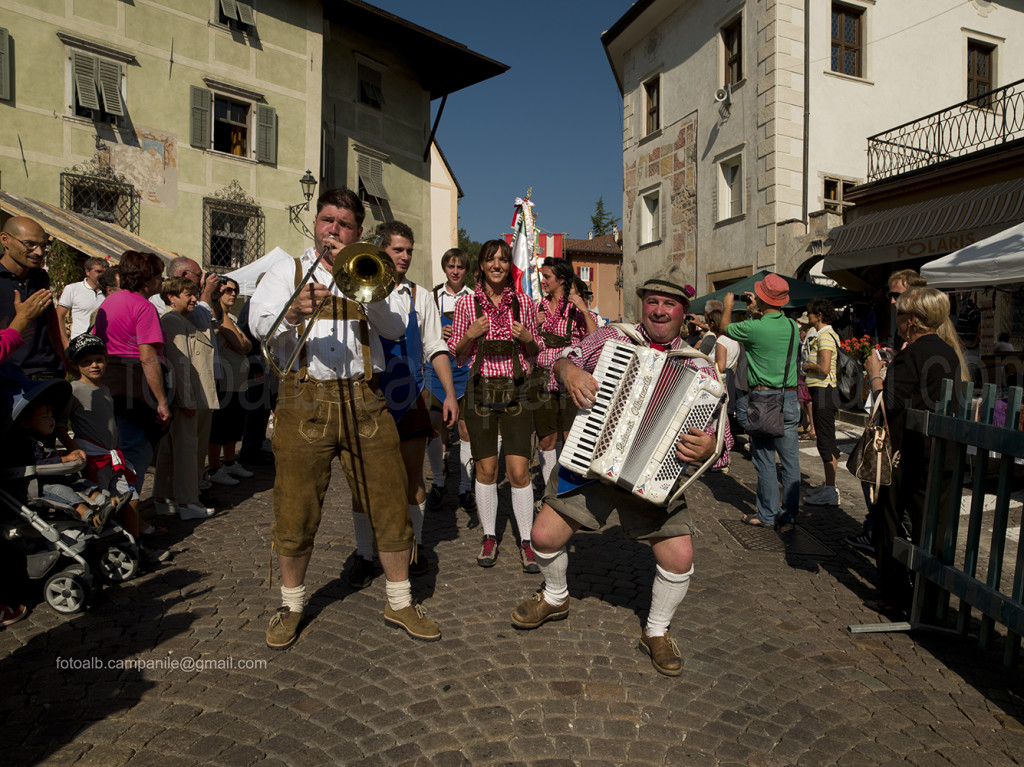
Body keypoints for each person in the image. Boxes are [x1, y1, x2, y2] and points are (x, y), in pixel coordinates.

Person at [249, 187, 439, 649]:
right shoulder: (286, 269)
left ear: (357, 231)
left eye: (344, 224)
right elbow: (260, 324)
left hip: (362, 395)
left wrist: (365, 287)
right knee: (296, 504)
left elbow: (395, 327)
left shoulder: (371, 268)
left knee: (389, 494)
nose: (333, 230)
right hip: (302, 398)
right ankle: (291, 605)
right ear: (315, 223)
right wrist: (295, 309)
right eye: (327, 220)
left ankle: (399, 599)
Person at [509, 278, 723, 677]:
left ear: (683, 312)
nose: (659, 310)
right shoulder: (612, 337)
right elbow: (555, 358)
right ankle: (555, 596)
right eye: (652, 301)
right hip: (592, 458)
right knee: (542, 536)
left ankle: (656, 631)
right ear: (643, 304)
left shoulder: (699, 364)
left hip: (655, 474)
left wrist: (710, 448)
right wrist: (569, 370)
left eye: (669, 304)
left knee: (679, 557)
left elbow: (722, 437)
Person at [346, 221, 458, 587]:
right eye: (398, 250)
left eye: (409, 250)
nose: (405, 256)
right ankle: (365, 553)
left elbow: (435, 346)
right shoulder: (353, 287)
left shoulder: (421, 296)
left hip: (407, 394)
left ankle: (415, 547)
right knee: (363, 481)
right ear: (381, 249)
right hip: (367, 393)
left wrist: (449, 394)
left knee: (413, 476)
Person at [864, 288, 967, 615]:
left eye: (902, 311)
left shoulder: (915, 353)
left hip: (907, 454)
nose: (897, 315)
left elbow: (889, 403)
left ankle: (894, 595)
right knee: (931, 528)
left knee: (889, 518)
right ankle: (932, 600)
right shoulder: (948, 352)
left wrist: (875, 374)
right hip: (940, 453)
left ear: (913, 320)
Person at [449, 239, 541, 571]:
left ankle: (527, 541)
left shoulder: (526, 303)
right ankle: (490, 537)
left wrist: (529, 339)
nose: (498, 265)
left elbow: (536, 353)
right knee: (487, 470)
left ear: (508, 267)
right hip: (480, 392)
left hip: (517, 392)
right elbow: (457, 356)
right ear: (482, 266)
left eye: (503, 260)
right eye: (491, 260)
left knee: (518, 472)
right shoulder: (466, 305)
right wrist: (470, 335)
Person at [93, 250, 170, 541]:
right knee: (132, 460)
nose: (162, 281)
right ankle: (131, 531)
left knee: (116, 456)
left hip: (109, 382)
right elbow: (148, 358)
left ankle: (126, 521)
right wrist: (161, 401)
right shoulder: (143, 307)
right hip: (133, 384)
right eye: (158, 275)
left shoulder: (110, 301)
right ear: (146, 279)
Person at [722, 273, 800, 529]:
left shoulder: (754, 327)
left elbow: (725, 328)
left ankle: (767, 514)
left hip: (764, 399)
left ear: (762, 299)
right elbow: (765, 330)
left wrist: (728, 307)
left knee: (765, 460)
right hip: (789, 397)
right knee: (790, 463)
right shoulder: (792, 326)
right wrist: (758, 311)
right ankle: (789, 513)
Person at [531, 257, 596, 510]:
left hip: (570, 377)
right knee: (547, 439)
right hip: (542, 376)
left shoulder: (576, 307)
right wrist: (532, 327)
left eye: (547, 276)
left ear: (560, 279)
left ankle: (568, 489)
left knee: (570, 436)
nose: (543, 281)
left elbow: (595, 338)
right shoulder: (540, 307)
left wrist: (583, 308)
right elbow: (532, 345)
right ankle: (549, 492)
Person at [153, 257, 223, 490]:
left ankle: (173, 495)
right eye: (196, 277)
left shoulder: (180, 315)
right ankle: (186, 496)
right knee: (187, 448)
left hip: (196, 390)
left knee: (185, 447)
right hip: (190, 393)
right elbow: (180, 363)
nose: (195, 296)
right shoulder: (173, 318)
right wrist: (186, 398)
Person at [423, 248, 476, 520]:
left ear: (466, 270)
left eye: (460, 267)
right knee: (436, 424)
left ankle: (466, 487)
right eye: (451, 266)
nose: (455, 271)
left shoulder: (474, 298)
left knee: (465, 428)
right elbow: (425, 331)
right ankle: (439, 481)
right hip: (437, 367)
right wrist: (438, 330)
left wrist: (464, 332)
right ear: (445, 268)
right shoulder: (432, 296)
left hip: (465, 368)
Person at [0, 217, 65, 380]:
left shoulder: (40, 276)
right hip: (9, 375)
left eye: (43, 246)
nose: (39, 252)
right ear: (5, 240)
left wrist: (62, 359)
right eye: (30, 244)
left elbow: (50, 321)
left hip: (47, 371)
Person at [207, 277, 253, 486]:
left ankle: (230, 461)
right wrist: (241, 342)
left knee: (234, 424)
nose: (232, 294)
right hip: (225, 381)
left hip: (238, 381)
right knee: (220, 426)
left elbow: (247, 345)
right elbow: (240, 344)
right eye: (227, 290)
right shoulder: (217, 317)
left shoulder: (232, 317)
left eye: (235, 290)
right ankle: (215, 467)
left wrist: (242, 343)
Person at [802, 298, 841, 506]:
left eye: (811, 314)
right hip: (822, 392)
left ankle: (831, 490)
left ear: (819, 315)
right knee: (827, 439)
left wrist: (808, 365)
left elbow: (824, 368)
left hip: (824, 391)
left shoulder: (825, 336)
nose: (808, 317)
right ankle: (828, 485)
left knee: (826, 441)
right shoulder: (826, 335)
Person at [56, 257, 107, 348]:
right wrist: (65, 342)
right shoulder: (72, 289)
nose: (102, 275)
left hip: (102, 345)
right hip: (79, 345)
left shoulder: (109, 293)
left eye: (104, 272)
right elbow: (59, 316)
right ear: (87, 272)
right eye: (98, 272)